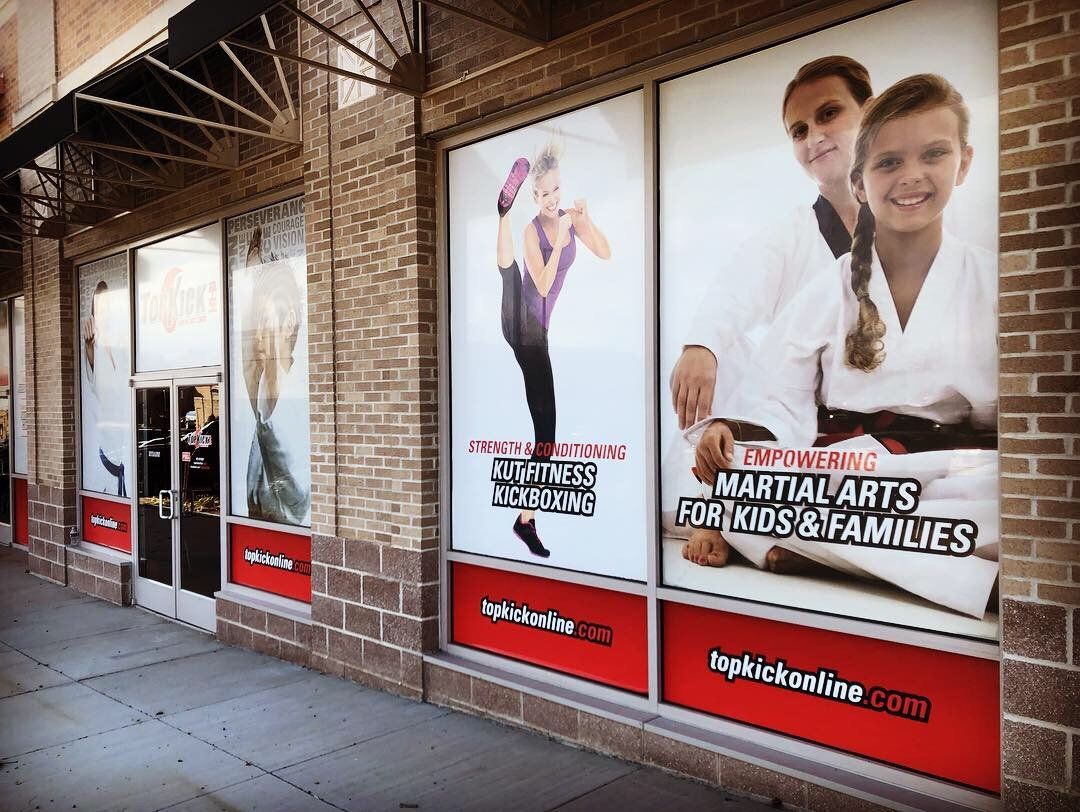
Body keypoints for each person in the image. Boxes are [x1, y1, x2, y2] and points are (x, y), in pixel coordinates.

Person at [688, 74, 998, 617]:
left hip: (944, 474)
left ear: (964, 162)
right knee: (745, 483)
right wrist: (732, 429)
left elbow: (1004, 419)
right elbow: (780, 401)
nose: (912, 177)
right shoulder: (827, 283)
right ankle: (956, 572)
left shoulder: (988, 277)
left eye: (933, 155)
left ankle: (813, 550)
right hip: (848, 473)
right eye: (888, 163)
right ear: (861, 181)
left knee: (1013, 495)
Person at [665, 56, 874, 570]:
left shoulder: (912, 219)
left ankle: (763, 538)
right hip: (797, 423)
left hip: (874, 427)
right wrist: (703, 344)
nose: (813, 138)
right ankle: (714, 515)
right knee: (719, 350)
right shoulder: (790, 234)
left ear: (871, 114)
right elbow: (737, 288)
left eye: (829, 115)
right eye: (798, 130)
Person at [495, 138, 611, 557]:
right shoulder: (535, 231)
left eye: (556, 191)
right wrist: (561, 239)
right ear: (533, 195)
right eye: (543, 194)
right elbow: (541, 285)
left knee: (545, 434)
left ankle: (524, 518)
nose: (551, 199)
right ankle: (501, 215)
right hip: (521, 322)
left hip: (535, 333)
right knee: (509, 279)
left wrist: (585, 221)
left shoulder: (566, 219)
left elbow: (604, 251)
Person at [240, 226, 311, 525]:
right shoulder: (263, 403)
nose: (256, 335)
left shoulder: (301, 400)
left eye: (265, 320)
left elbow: (298, 501)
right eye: (255, 323)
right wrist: (250, 283)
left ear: (289, 321)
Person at [83, 278, 128, 497]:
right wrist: (89, 347)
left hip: (124, 459)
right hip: (107, 465)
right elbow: (94, 378)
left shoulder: (121, 350)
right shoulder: (95, 349)